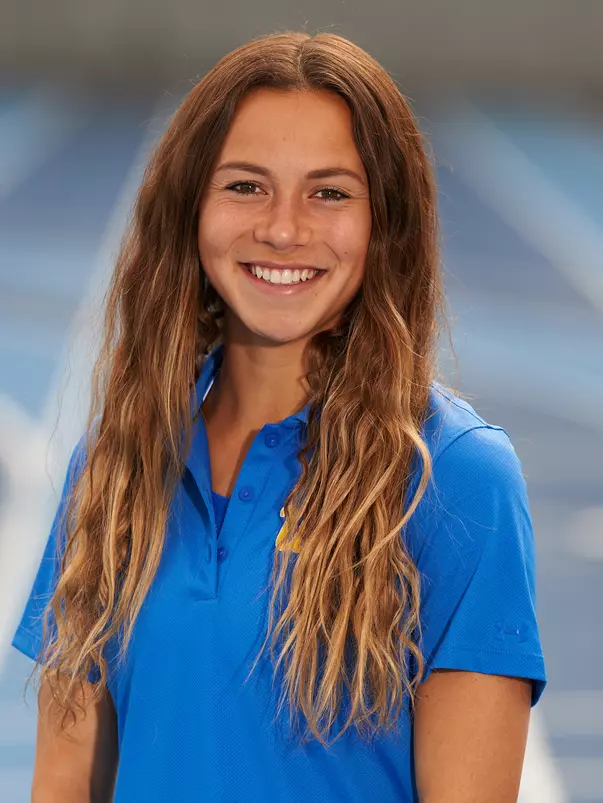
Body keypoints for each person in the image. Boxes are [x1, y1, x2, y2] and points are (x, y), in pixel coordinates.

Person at [12, 30, 546, 803]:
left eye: (329, 192)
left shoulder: (456, 476)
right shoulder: (115, 463)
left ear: (383, 223)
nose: (284, 228)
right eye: (245, 186)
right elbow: (64, 781)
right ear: (190, 209)